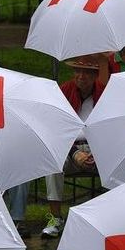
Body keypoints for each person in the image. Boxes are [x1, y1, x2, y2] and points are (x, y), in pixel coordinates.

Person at [43, 55, 109, 238]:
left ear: (95, 75)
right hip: (69, 148)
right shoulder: (64, 92)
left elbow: (109, 129)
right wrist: (74, 153)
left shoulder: (105, 94)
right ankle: (56, 218)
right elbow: (55, 130)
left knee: (117, 161)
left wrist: (98, 152)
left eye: (87, 72)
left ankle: (109, 218)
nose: (81, 76)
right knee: (53, 163)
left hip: (99, 150)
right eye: (77, 71)